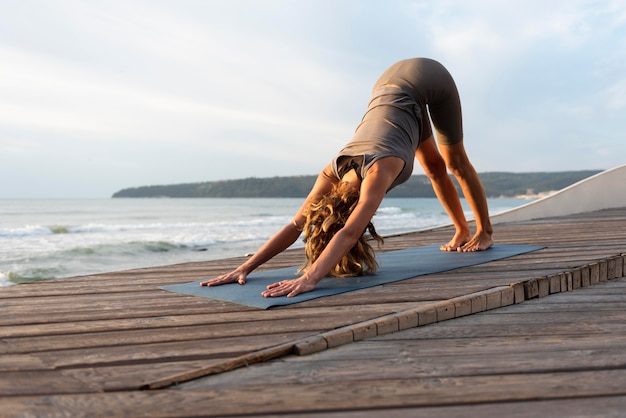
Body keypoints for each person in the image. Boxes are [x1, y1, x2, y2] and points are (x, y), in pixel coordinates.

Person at [201, 58, 494, 298]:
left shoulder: (376, 173)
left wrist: (311, 278)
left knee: (454, 163)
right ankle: (460, 231)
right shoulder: (332, 171)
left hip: (430, 77)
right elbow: (295, 224)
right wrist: (245, 267)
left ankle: (484, 231)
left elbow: (349, 233)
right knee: (432, 168)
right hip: (392, 88)